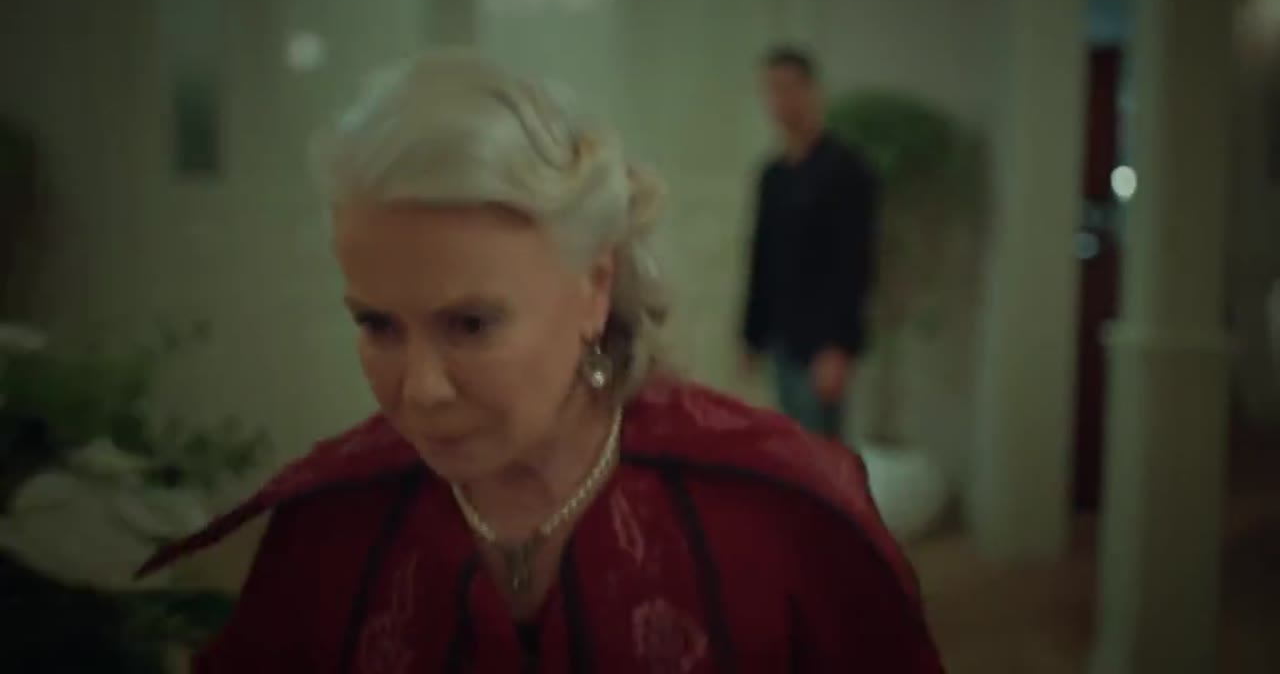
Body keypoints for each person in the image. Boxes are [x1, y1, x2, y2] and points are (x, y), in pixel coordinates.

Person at [138, 50, 940, 672]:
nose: (420, 392)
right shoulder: (325, 530)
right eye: (378, 325)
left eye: (471, 324)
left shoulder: (780, 516)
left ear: (595, 287)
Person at [741, 46, 879, 439]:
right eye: (772, 89)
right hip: (781, 337)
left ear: (812, 92)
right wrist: (751, 335)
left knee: (819, 450)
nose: (780, 100)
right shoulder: (773, 175)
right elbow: (762, 256)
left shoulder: (846, 170)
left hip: (821, 344)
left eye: (789, 88)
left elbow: (855, 263)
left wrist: (838, 346)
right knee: (788, 444)